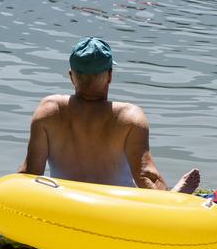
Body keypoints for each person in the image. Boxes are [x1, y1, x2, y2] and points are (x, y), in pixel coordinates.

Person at [17, 36, 200, 194]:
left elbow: (31, 172)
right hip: (115, 208)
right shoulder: (129, 117)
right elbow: (145, 175)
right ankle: (172, 197)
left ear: (72, 76)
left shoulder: (48, 110)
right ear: (110, 75)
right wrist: (169, 198)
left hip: (66, 203)